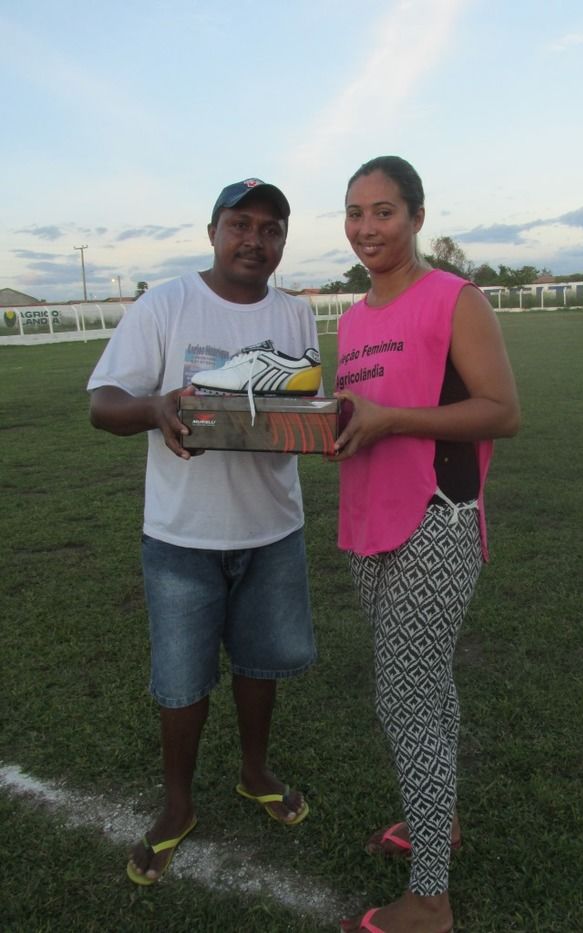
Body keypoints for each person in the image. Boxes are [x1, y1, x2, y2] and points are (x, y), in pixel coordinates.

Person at [87, 178, 318, 885]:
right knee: (182, 681)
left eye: (271, 227)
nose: (255, 239)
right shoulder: (167, 302)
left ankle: (255, 772)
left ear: (282, 240)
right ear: (214, 230)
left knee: (261, 663)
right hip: (182, 535)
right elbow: (103, 403)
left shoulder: (298, 314)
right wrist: (157, 406)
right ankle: (177, 804)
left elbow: (306, 408)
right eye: (241, 223)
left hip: (273, 527)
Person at [333, 156, 521, 933]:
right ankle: (434, 820)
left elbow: (502, 411)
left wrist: (389, 420)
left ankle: (431, 902)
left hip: (436, 521)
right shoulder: (349, 318)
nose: (367, 227)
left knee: (405, 696)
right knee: (428, 690)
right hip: (365, 523)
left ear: (413, 216)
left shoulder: (454, 298)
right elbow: (358, 413)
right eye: (354, 212)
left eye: (383, 211)